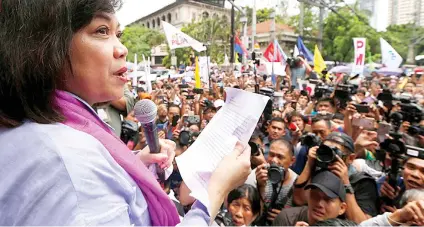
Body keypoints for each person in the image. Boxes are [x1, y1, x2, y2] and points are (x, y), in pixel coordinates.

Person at [0, 0, 251, 225]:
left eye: (118, 34)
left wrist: (132, 165)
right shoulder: (68, 165)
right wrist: (214, 192)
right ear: (46, 45)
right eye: (101, 31)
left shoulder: (47, 134)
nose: (122, 49)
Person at [293, 132, 379, 224]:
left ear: (350, 158)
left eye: (335, 152)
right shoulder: (318, 171)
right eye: (325, 150)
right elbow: (299, 200)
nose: (329, 156)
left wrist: (346, 184)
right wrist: (309, 164)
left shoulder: (362, 182)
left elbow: (363, 224)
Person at [272, 171, 348, 226]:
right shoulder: (287, 219)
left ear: (341, 208)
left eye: (327, 199)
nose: (319, 204)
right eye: (315, 196)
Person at [254, 139, 297, 224]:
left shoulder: (297, 183)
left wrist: (284, 218)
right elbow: (252, 213)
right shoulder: (258, 174)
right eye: (271, 155)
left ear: (292, 161)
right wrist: (261, 186)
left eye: (280, 157)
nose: (274, 160)